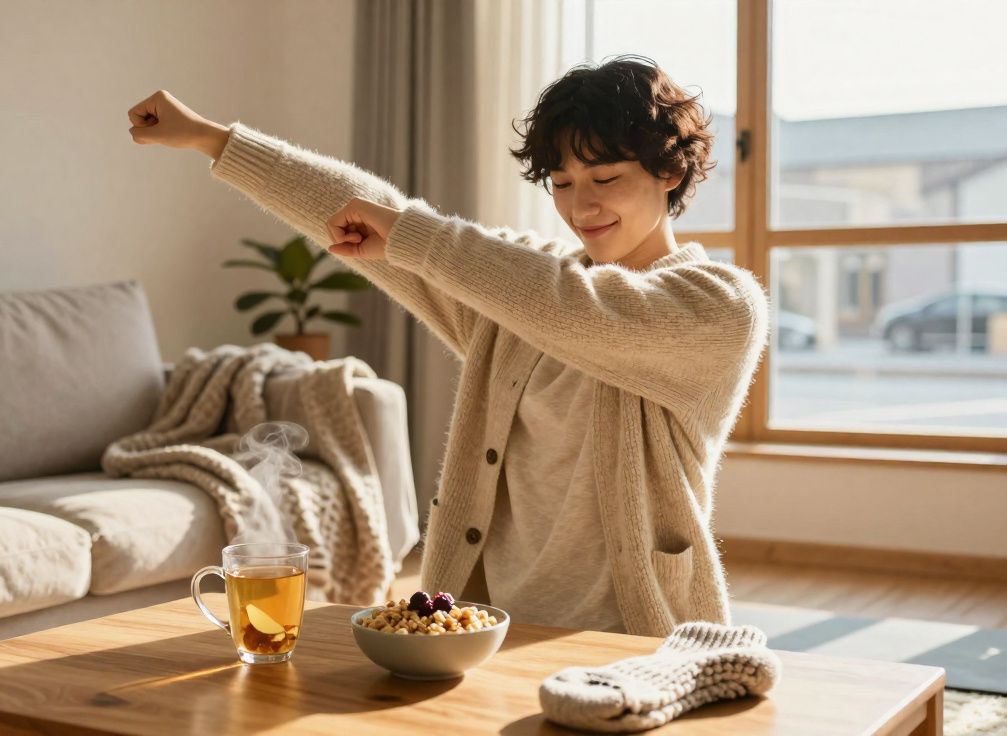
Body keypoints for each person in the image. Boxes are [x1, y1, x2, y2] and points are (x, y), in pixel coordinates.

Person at [127, 55, 769, 636]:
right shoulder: (511, 289)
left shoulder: (720, 304)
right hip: (486, 622)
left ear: (669, 171)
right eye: (562, 182)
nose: (582, 206)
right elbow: (368, 208)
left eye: (605, 176)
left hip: (631, 632)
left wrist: (414, 235)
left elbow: (583, 313)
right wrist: (213, 139)